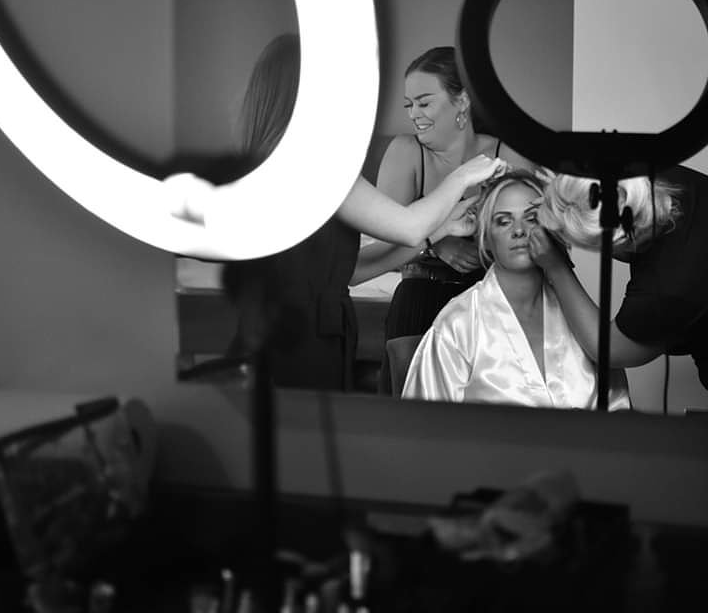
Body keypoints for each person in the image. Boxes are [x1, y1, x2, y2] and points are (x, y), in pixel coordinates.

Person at [165, 34, 506, 390]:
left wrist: (437, 233)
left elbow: (348, 272)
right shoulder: (320, 167)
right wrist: (464, 175)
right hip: (308, 340)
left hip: (283, 331)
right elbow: (408, 226)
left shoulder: (267, 167)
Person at [531, 166, 708, 412]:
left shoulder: (670, 286)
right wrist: (563, 200)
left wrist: (556, 267)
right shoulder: (656, 177)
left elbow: (609, 350)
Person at [351, 46, 538, 344]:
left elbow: (534, 237)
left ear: (462, 100)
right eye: (408, 105)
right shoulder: (405, 153)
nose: (414, 114)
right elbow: (379, 246)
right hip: (422, 296)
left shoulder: (508, 155)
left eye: (424, 103)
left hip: (493, 300)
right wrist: (438, 244)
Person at [401, 170, 630, 410]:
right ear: (485, 238)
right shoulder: (458, 325)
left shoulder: (581, 320)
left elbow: (618, 417)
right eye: (503, 221)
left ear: (552, 228)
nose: (519, 230)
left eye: (531, 218)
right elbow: (426, 431)